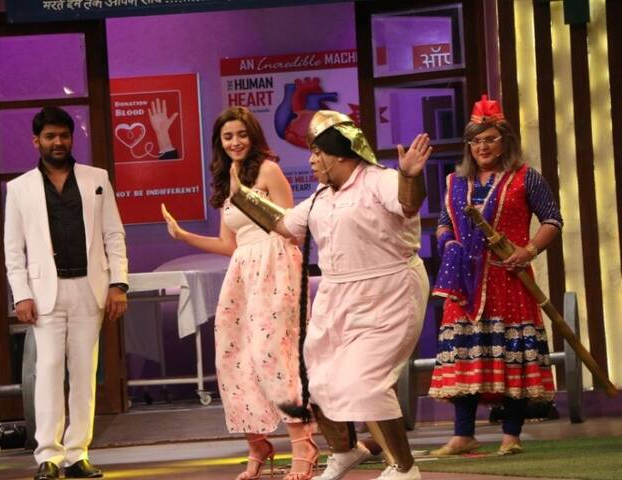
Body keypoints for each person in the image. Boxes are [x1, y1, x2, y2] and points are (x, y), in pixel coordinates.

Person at [228, 110, 431, 480]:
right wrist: (242, 197)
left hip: (388, 291)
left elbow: (407, 203)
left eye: (317, 152)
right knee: (316, 379)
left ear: (340, 154)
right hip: (337, 294)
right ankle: (345, 450)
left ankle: (404, 468)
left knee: (367, 381)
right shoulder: (322, 198)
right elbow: (284, 225)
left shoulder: (380, 180)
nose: (311, 160)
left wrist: (410, 177)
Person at [161, 106, 318, 480]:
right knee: (234, 357)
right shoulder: (225, 180)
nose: (235, 142)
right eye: (228, 136)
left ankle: (303, 443)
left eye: (241, 134)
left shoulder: (268, 170)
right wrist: (183, 235)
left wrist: (246, 196)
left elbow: (291, 228)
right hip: (243, 270)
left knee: (273, 355)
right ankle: (257, 443)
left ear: (253, 136)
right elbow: (228, 243)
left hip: (276, 263)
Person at [428, 95, 562, 456]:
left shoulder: (526, 178)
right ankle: (463, 434)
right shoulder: (455, 182)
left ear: (506, 142)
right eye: (476, 141)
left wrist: (528, 251)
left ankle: (511, 436)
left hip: (509, 280)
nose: (482, 147)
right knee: (465, 352)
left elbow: (552, 220)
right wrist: (448, 244)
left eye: (490, 139)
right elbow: (443, 224)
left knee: (511, 352)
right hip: (465, 283)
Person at [4, 106, 129, 480]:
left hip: (90, 289)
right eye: (50, 136)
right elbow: (13, 249)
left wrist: (118, 284)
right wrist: (21, 294)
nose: (58, 142)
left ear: (72, 138)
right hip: (45, 292)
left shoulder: (96, 179)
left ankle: (77, 454)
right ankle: (48, 455)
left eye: (63, 135)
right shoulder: (19, 188)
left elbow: (113, 235)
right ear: (36, 141)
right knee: (48, 371)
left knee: (84, 373)